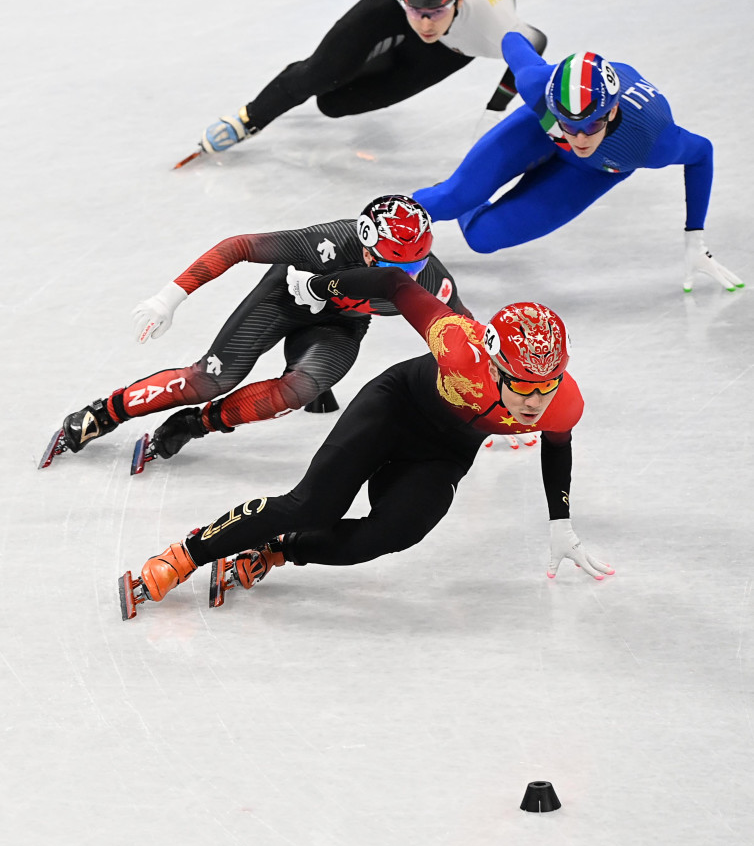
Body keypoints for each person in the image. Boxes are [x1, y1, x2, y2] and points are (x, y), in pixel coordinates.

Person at [118, 264, 613, 621]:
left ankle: (276, 551)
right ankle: (185, 554)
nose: (535, 401)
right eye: (523, 385)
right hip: (396, 406)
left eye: (546, 385)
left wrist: (560, 521)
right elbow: (395, 284)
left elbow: (557, 443)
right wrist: (320, 287)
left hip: (445, 452)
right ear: (494, 364)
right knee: (310, 505)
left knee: (395, 533)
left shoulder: (563, 401)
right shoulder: (458, 343)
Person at [40, 196, 470, 471]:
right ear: (364, 246)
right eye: (395, 266)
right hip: (283, 299)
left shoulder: (429, 277)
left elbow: (466, 334)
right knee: (209, 381)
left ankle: (197, 424)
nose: (408, 277)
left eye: (416, 265)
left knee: (298, 389)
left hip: (340, 323)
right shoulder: (328, 243)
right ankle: (107, 412)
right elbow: (239, 246)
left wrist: (494, 395)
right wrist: (168, 297)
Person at [412, 33, 744, 293]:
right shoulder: (537, 85)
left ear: (612, 111)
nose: (581, 138)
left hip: (592, 171)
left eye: (592, 125)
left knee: (482, 238)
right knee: (451, 200)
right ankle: (368, 230)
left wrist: (694, 239)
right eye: (570, 125)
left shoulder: (654, 141)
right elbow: (513, 39)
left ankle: (466, 193)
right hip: (538, 131)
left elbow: (702, 153)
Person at [193, 0, 546, 159]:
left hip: (451, 49)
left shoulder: (493, 24)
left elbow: (536, 41)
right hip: (391, 12)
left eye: (436, 12)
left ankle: (360, 64)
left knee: (334, 104)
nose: (425, 23)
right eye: (416, 10)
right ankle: (248, 119)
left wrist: (494, 110)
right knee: (319, 74)